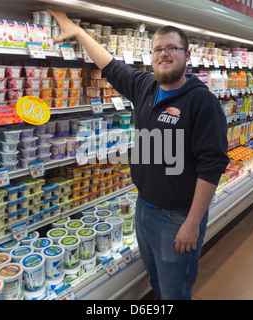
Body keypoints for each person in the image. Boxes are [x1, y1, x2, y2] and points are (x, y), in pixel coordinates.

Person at [48, 9, 229, 300]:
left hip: (177, 218)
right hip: (144, 208)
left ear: (187, 54)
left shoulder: (202, 102)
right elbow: (110, 65)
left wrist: (193, 223)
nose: (164, 54)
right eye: (158, 49)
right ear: (151, 55)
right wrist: (80, 33)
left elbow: (212, 166)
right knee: (157, 282)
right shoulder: (146, 86)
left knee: (175, 290)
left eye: (172, 48)